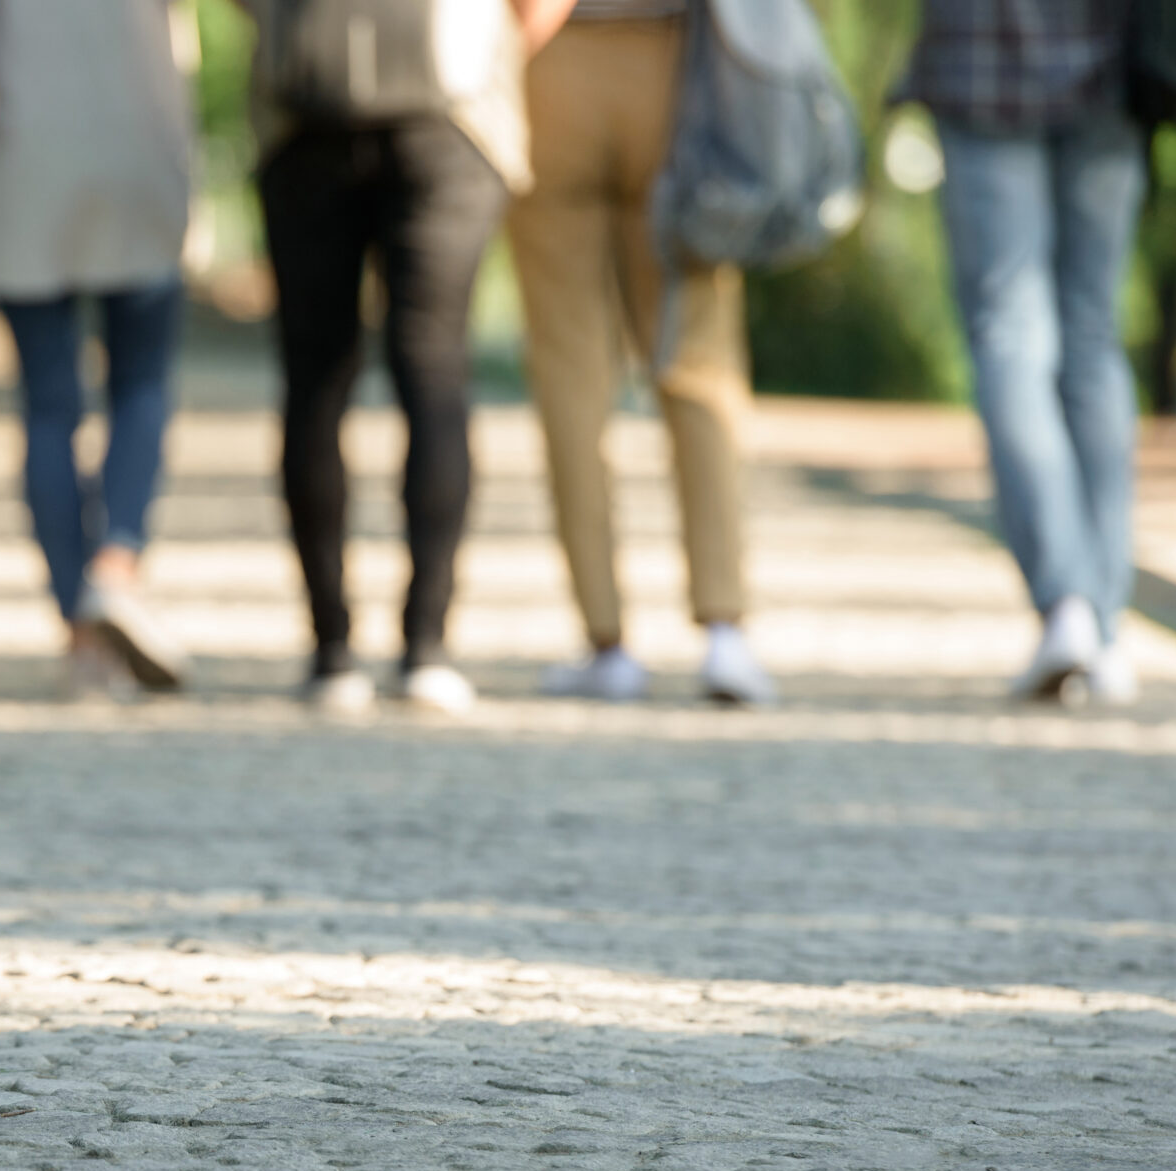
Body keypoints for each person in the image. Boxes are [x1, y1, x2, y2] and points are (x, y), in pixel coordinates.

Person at [245, 0, 575, 716]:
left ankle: (331, 650)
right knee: (433, 369)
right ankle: (427, 646)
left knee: (314, 378)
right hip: (453, 116)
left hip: (303, 115)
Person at [508, 0, 777, 706]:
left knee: (570, 366)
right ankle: (725, 629)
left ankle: (606, 640)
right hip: (678, 69)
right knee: (699, 361)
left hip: (547, 60)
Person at [0, 0, 195, 699]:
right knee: (141, 385)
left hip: (19, 144)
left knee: (49, 406)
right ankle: (115, 569)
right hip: (136, 141)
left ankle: (82, 641)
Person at [905, 0, 1143, 705]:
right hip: (1110, 65)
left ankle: (1067, 603)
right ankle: (1101, 621)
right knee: (1092, 338)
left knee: (1011, 335)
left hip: (980, 64)